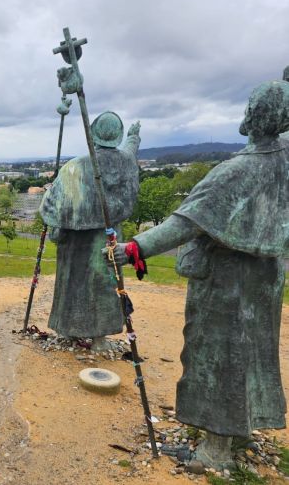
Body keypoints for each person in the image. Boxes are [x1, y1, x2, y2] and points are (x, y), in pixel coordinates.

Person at [108, 79, 289, 468]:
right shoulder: (285, 157)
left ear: (252, 117)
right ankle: (237, 431)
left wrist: (133, 249)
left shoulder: (237, 171)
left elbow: (182, 225)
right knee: (251, 356)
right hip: (265, 280)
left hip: (228, 281)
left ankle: (215, 451)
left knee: (220, 356)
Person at [39, 112, 141, 351]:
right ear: (117, 135)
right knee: (104, 286)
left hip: (76, 239)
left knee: (72, 284)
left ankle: (69, 331)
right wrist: (134, 137)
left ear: (93, 134)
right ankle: (98, 339)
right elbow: (130, 149)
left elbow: (55, 205)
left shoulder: (76, 166)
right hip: (107, 235)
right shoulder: (125, 162)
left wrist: (57, 227)